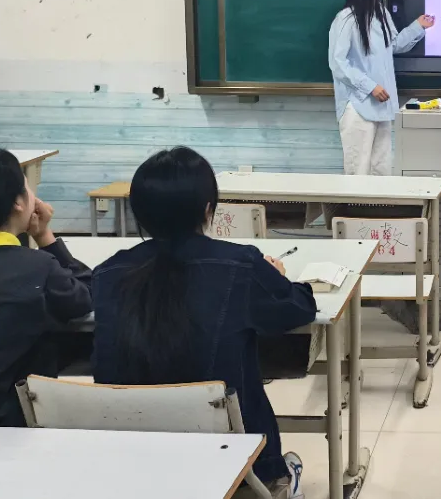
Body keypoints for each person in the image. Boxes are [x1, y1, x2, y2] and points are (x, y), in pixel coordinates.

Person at [92, 148, 317, 497]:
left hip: (135, 457)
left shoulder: (107, 274)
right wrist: (277, 277)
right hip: (232, 456)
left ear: (140, 213)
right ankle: (277, 480)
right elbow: (299, 308)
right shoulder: (240, 264)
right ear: (208, 209)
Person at [0, 145, 92, 426]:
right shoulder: (36, 268)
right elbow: (85, 297)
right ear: (18, 203)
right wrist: (45, 236)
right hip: (6, 427)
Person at [328, 0, 434, 175]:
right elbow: (338, 63)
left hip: (382, 106)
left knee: (382, 171)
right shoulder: (346, 19)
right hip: (358, 106)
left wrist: (418, 26)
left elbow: (393, 45)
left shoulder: (381, 14)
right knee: (358, 172)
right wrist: (370, 86)